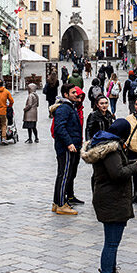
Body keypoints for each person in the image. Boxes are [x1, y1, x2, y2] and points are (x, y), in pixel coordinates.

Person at [81, 118, 137, 273]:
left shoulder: (105, 144)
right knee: (111, 243)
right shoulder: (111, 150)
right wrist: (136, 166)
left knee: (112, 242)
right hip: (112, 200)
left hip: (110, 198)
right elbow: (117, 173)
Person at [52, 83, 83, 215]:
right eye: (73, 93)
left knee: (63, 174)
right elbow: (59, 127)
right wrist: (69, 143)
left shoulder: (70, 107)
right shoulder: (64, 108)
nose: (76, 94)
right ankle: (60, 205)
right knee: (64, 175)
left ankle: (57, 202)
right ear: (66, 95)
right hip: (66, 148)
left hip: (70, 146)